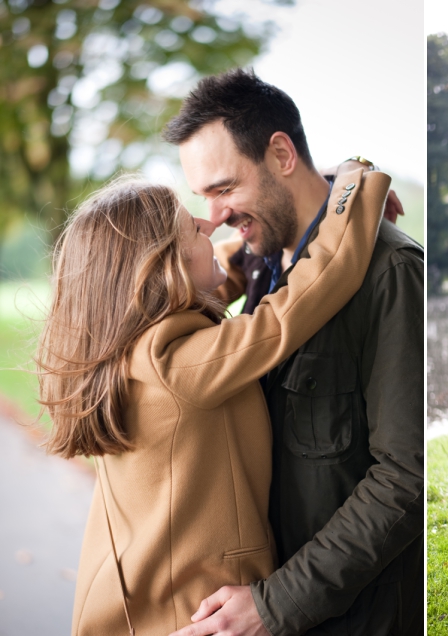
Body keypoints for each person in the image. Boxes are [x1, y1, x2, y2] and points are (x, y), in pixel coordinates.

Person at [36, 174, 384, 634]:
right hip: (199, 614)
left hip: (135, 603)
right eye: (191, 227)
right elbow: (314, 286)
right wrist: (352, 188)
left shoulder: (123, 340)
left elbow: (207, 275)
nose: (209, 222)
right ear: (163, 266)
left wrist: (274, 216)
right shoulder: (179, 365)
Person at [163, 69, 424, 635]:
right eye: (202, 196)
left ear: (281, 152)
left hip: (358, 618)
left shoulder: (391, 271)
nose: (215, 217)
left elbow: (406, 475)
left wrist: (276, 602)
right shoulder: (256, 260)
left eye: (224, 188)